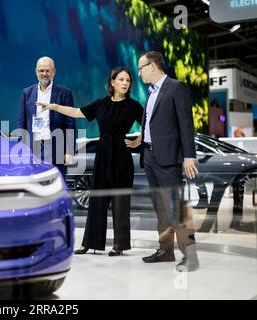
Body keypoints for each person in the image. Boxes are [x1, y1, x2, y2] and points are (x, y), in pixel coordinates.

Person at [38, 66, 143, 256]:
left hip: (121, 156)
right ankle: (89, 243)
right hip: (102, 155)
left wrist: (138, 141)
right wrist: (54, 107)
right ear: (112, 82)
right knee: (97, 201)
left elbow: (150, 123)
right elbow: (78, 112)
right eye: (121, 80)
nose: (125, 83)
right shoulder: (102, 103)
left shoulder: (134, 106)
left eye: (127, 80)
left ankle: (119, 245)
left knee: (120, 203)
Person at [137, 51, 200, 272]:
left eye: (141, 67)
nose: (139, 72)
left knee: (177, 207)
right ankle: (166, 250)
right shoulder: (151, 92)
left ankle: (191, 255)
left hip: (169, 159)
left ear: (153, 66)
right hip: (151, 157)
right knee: (161, 208)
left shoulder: (175, 87)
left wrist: (189, 156)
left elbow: (185, 123)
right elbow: (155, 125)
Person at [17, 56, 75, 177]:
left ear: (54, 72)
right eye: (41, 70)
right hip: (33, 148)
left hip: (55, 148)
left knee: (56, 184)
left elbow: (70, 124)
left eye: (47, 70)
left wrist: (69, 151)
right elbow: (21, 124)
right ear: (36, 72)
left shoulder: (64, 93)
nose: (44, 73)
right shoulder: (27, 93)